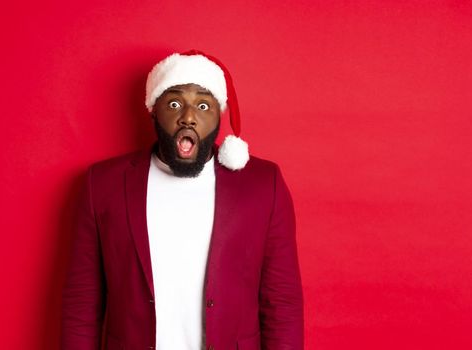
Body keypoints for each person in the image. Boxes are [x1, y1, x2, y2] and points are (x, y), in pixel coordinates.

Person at [60, 50, 303, 350]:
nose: (188, 116)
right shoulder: (103, 184)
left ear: (219, 114)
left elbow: (281, 302)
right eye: (174, 103)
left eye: (203, 105)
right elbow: (82, 302)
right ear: (153, 109)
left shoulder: (263, 185)